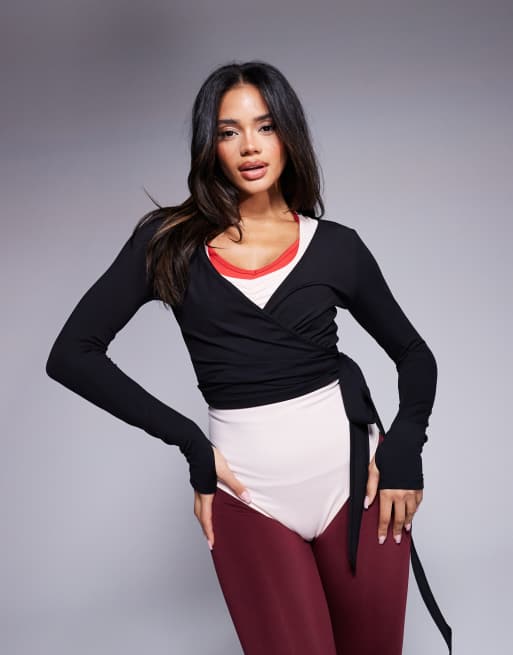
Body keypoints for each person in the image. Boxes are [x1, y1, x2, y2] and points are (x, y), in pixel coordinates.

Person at [45, 60, 452, 654]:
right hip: (249, 497)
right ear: (209, 146)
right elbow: (72, 354)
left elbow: (414, 354)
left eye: (265, 126)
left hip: (358, 490)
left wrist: (406, 448)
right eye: (228, 131)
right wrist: (189, 440)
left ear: (288, 133)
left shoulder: (336, 247)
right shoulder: (169, 243)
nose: (250, 147)